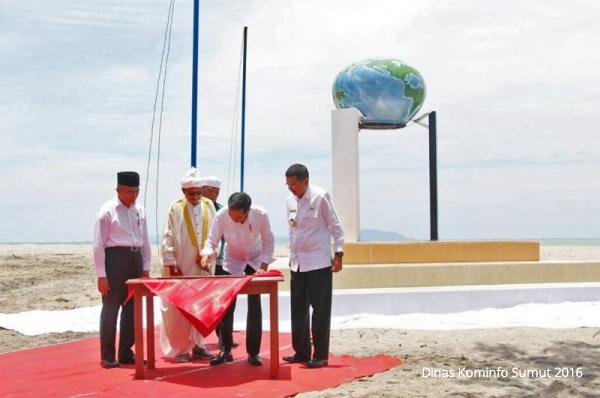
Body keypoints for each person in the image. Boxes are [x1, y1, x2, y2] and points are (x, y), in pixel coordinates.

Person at [200, 192, 275, 366]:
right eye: (232, 217)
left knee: (254, 306)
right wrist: (206, 254)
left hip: (255, 260)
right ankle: (225, 350)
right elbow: (211, 241)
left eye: (239, 218)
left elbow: (268, 240)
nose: (235, 221)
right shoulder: (221, 216)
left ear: (248, 211)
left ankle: (253, 353)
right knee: (226, 307)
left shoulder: (261, 215)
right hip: (231, 261)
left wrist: (263, 266)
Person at [282, 163, 344, 369]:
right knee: (298, 310)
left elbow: (335, 226)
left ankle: (320, 355)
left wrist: (339, 253)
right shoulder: (290, 200)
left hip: (318, 263)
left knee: (320, 310)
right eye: (288, 185)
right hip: (298, 263)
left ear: (305, 181)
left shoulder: (320, 196)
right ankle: (301, 351)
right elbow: (293, 231)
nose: (290, 189)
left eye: (293, 185)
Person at [93, 171, 151, 369]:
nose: (132, 196)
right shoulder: (107, 211)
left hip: (135, 258)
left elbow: (145, 241)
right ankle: (107, 355)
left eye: (136, 192)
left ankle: (126, 352)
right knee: (111, 307)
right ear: (118, 190)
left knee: (132, 308)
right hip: (115, 259)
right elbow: (98, 244)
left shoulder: (140, 211)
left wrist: (145, 267)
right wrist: (101, 275)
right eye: (128, 191)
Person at [159, 168, 216, 362]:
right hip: (182, 265)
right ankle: (180, 348)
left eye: (199, 192)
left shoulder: (209, 205)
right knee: (180, 306)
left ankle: (199, 345)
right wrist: (171, 263)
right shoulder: (175, 208)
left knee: (202, 304)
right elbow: (167, 237)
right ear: (183, 192)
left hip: (204, 265)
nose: (195, 196)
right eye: (191, 193)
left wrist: (208, 255)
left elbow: (215, 235)